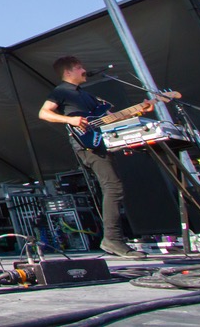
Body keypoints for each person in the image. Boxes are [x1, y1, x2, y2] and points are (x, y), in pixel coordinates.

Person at [38, 56, 147, 259]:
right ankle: (112, 239)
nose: (84, 70)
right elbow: (44, 113)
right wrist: (69, 119)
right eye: (80, 68)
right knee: (113, 187)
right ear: (68, 72)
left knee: (114, 187)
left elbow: (108, 117)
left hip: (100, 142)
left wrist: (138, 110)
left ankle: (114, 238)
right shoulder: (62, 91)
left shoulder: (87, 95)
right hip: (87, 146)